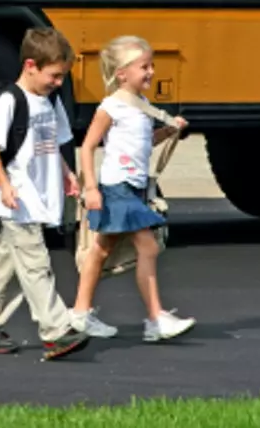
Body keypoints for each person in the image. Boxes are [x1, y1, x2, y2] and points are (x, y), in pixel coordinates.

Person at [0, 28, 91, 362]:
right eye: (54, 75)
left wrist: (67, 174)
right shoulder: (10, 102)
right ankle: (56, 331)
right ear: (31, 65)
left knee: (7, 271)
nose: (58, 83)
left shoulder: (50, 102)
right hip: (19, 201)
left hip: (41, 197)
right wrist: (4, 185)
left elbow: (55, 144)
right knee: (36, 266)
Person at [70, 35, 197, 343]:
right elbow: (87, 147)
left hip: (133, 187)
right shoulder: (111, 107)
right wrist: (91, 188)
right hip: (117, 187)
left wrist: (168, 131)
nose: (151, 72)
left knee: (101, 249)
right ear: (122, 73)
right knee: (148, 246)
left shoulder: (142, 107)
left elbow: (143, 142)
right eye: (144, 66)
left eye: (151, 65)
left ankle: (80, 312)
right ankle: (156, 318)